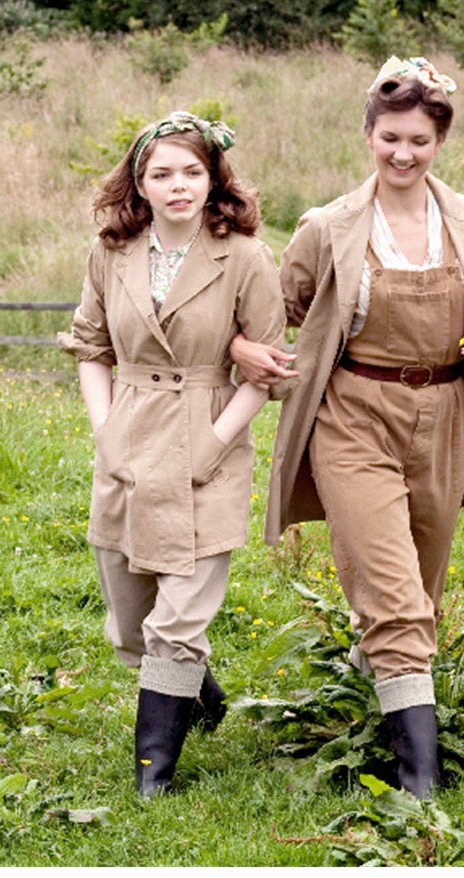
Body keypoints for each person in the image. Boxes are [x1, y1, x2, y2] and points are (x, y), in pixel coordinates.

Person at [230, 56, 464, 798]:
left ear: (440, 142)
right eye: (390, 137)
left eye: (419, 141)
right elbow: (276, 309)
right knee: (395, 599)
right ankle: (419, 781)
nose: (403, 154)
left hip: (447, 415)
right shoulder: (327, 226)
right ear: (368, 133)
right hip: (353, 414)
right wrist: (242, 345)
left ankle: (380, 686)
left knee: (416, 592)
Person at [57, 111, 287, 796]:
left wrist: (215, 442)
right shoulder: (111, 251)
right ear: (141, 183)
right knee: (133, 624)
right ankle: (202, 697)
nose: (179, 186)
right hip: (129, 435)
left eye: (192, 172)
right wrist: (106, 433)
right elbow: (91, 348)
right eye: (163, 174)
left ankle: (152, 779)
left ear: (214, 177)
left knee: (179, 618)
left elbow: (265, 371)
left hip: (207, 431)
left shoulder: (244, 256)